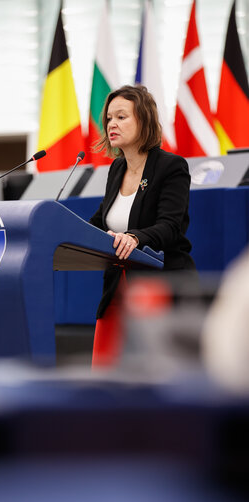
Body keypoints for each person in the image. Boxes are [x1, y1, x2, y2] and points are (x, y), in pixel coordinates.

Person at [89, 84, 196, 366]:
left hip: (159, 288)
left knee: (151, 377)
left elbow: (171, 227)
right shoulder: (117, 169)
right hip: (117, 288)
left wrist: (134, 238)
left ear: (144, 120)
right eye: (109, 118)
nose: (112, 124)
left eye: (121, 117)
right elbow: (101, 222)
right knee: (105, 375)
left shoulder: (170, 167)